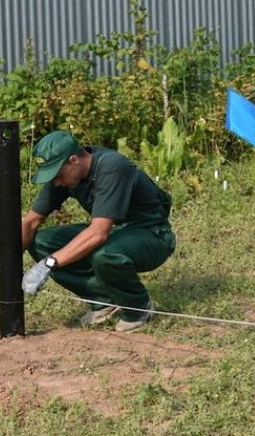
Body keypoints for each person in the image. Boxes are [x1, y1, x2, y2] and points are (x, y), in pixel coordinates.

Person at [20, 130, 176, 332]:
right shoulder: (63, 175)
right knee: (41, 241)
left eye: (57, 175)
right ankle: (104, 299)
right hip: (114, 232)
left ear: (73, 160)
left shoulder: (112, 167)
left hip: (150, 233)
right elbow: (31, 223)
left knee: (106, 254)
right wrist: (9, 269)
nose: (56, 182)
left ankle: (137, 309)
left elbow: (98, 233)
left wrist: (48, 264)